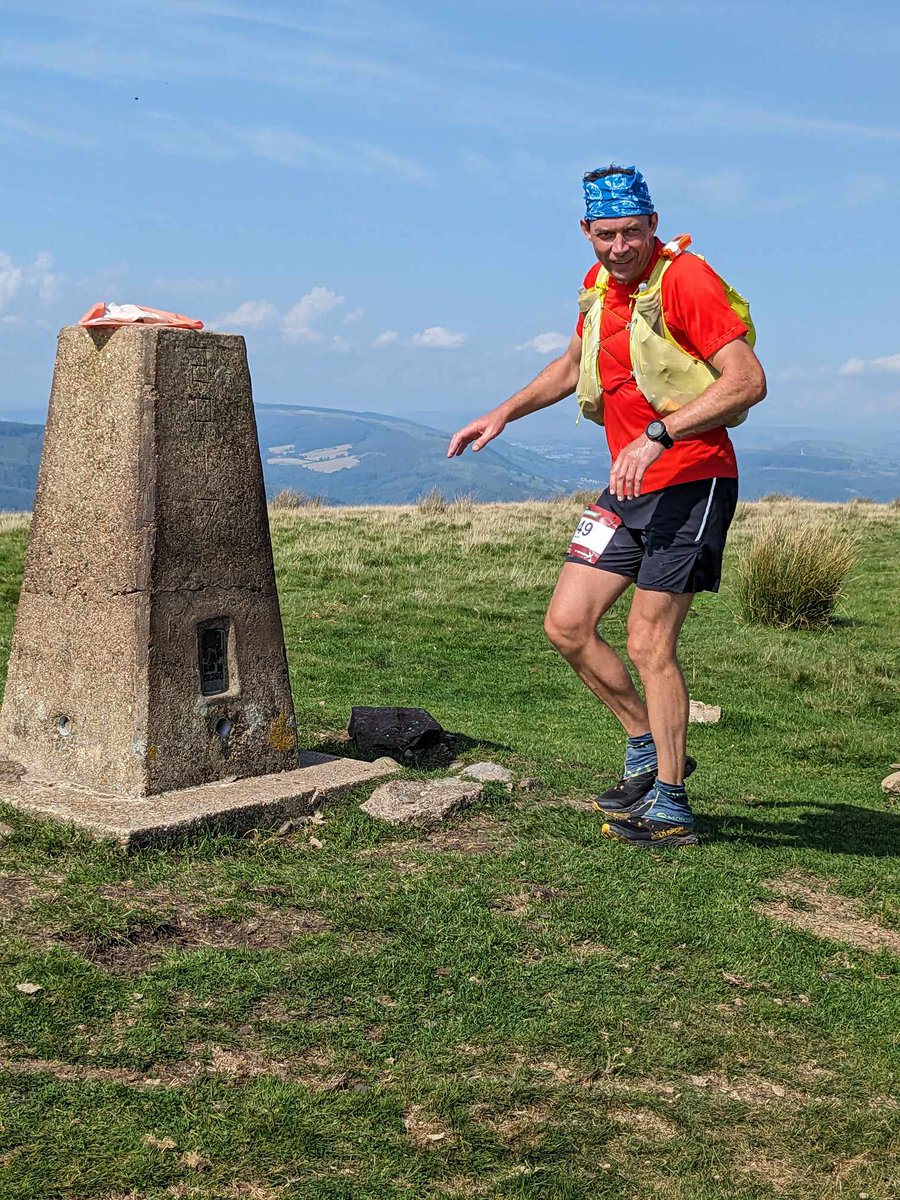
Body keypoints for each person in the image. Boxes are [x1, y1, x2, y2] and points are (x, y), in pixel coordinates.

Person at [447, 165, 766, 848]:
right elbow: (570, 366)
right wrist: (502, 413)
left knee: (650, 643)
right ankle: (647, 749)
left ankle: (673, 808)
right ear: (586, 233)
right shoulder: (599, 289)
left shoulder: (684, 282)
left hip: (693, 478)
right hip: (629, 487)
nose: (618, 247)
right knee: (566, 624)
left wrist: (660, 433)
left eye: (630, 233)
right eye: (605, 235)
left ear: (653, 225)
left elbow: (747, 382)